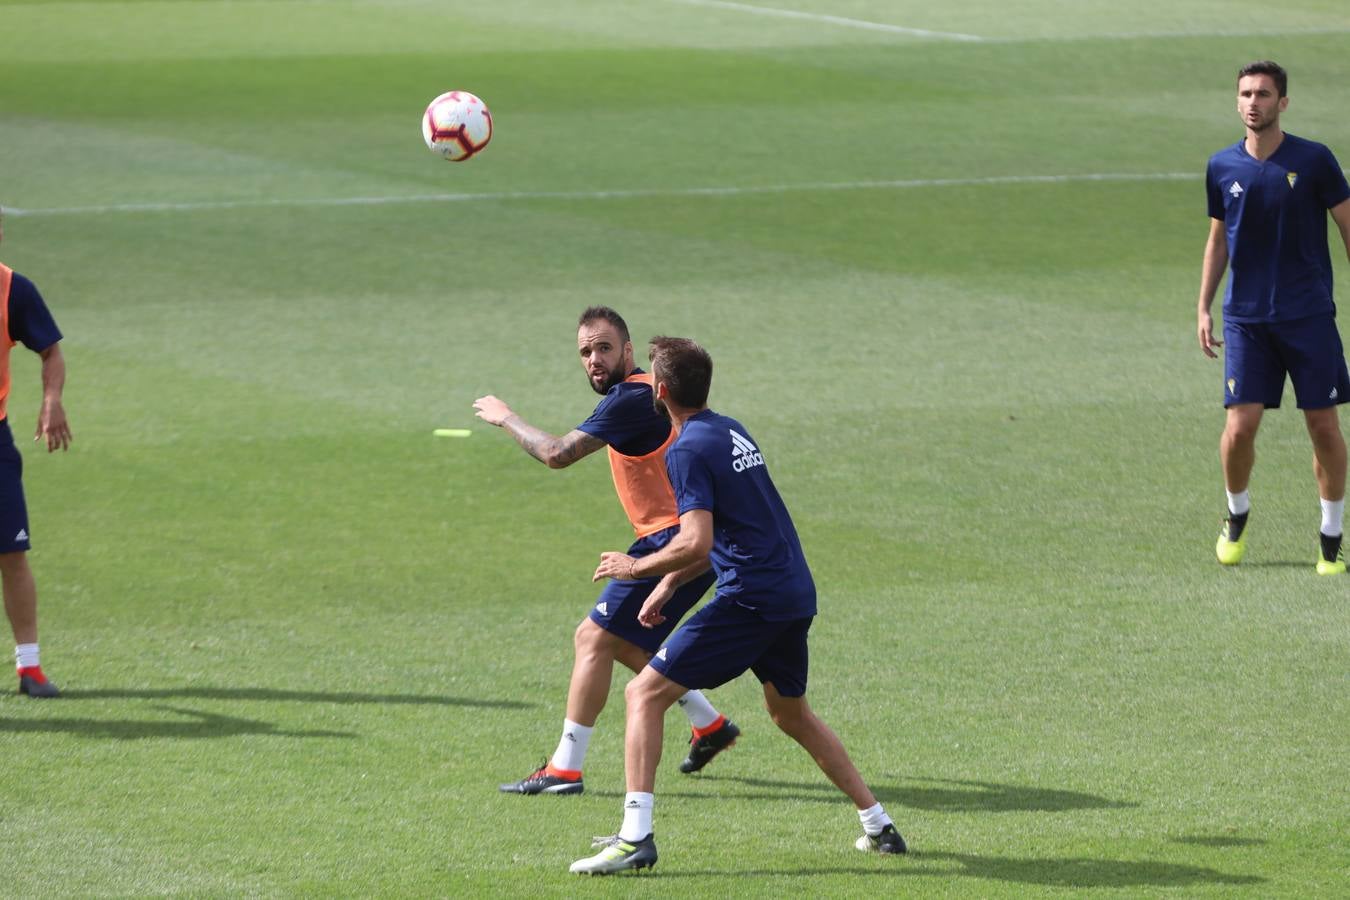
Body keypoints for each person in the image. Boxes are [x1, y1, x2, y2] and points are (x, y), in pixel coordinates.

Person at [570, 336, 905, 875]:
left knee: (643, 694)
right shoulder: (729, 429)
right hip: (793, 592)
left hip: (751, 598)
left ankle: (636, 838)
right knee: (790, 714)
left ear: (659, 391)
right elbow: (729, 533)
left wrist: (635, 569)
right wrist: (667, 587)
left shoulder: (682, 450)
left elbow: (696, 540)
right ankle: (878, 824)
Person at [473, 307, 740, 795]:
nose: (594, 359)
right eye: (585, 352)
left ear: (628, 351)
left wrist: (505, 417)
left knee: (591, 638)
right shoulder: (640, 394)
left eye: (603, 348)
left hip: (673, 540)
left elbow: (556, 454)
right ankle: (709, 724)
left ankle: (564, 769)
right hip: (683, 536)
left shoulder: (629, 400)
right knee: (623, 642)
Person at [1198, 60, 1350, 574]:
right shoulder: (1221, 166)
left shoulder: (1314, 160)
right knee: (1240, 427)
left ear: (1282, 102)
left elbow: (1348, 225)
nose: (1253, 102)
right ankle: (1236, 514)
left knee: (1323, 426)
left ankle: (1331, 536)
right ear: (1236, 101)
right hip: (1246, 320)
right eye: (1245, 93)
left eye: (1263, 93)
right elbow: (1218, 239)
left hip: (1308, 316)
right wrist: (1203, 305)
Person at [0, 207, 72, 697]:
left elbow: (51, 350)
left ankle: (30, 668)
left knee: (13, 552)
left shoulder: (12, 289)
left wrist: (52, 402)